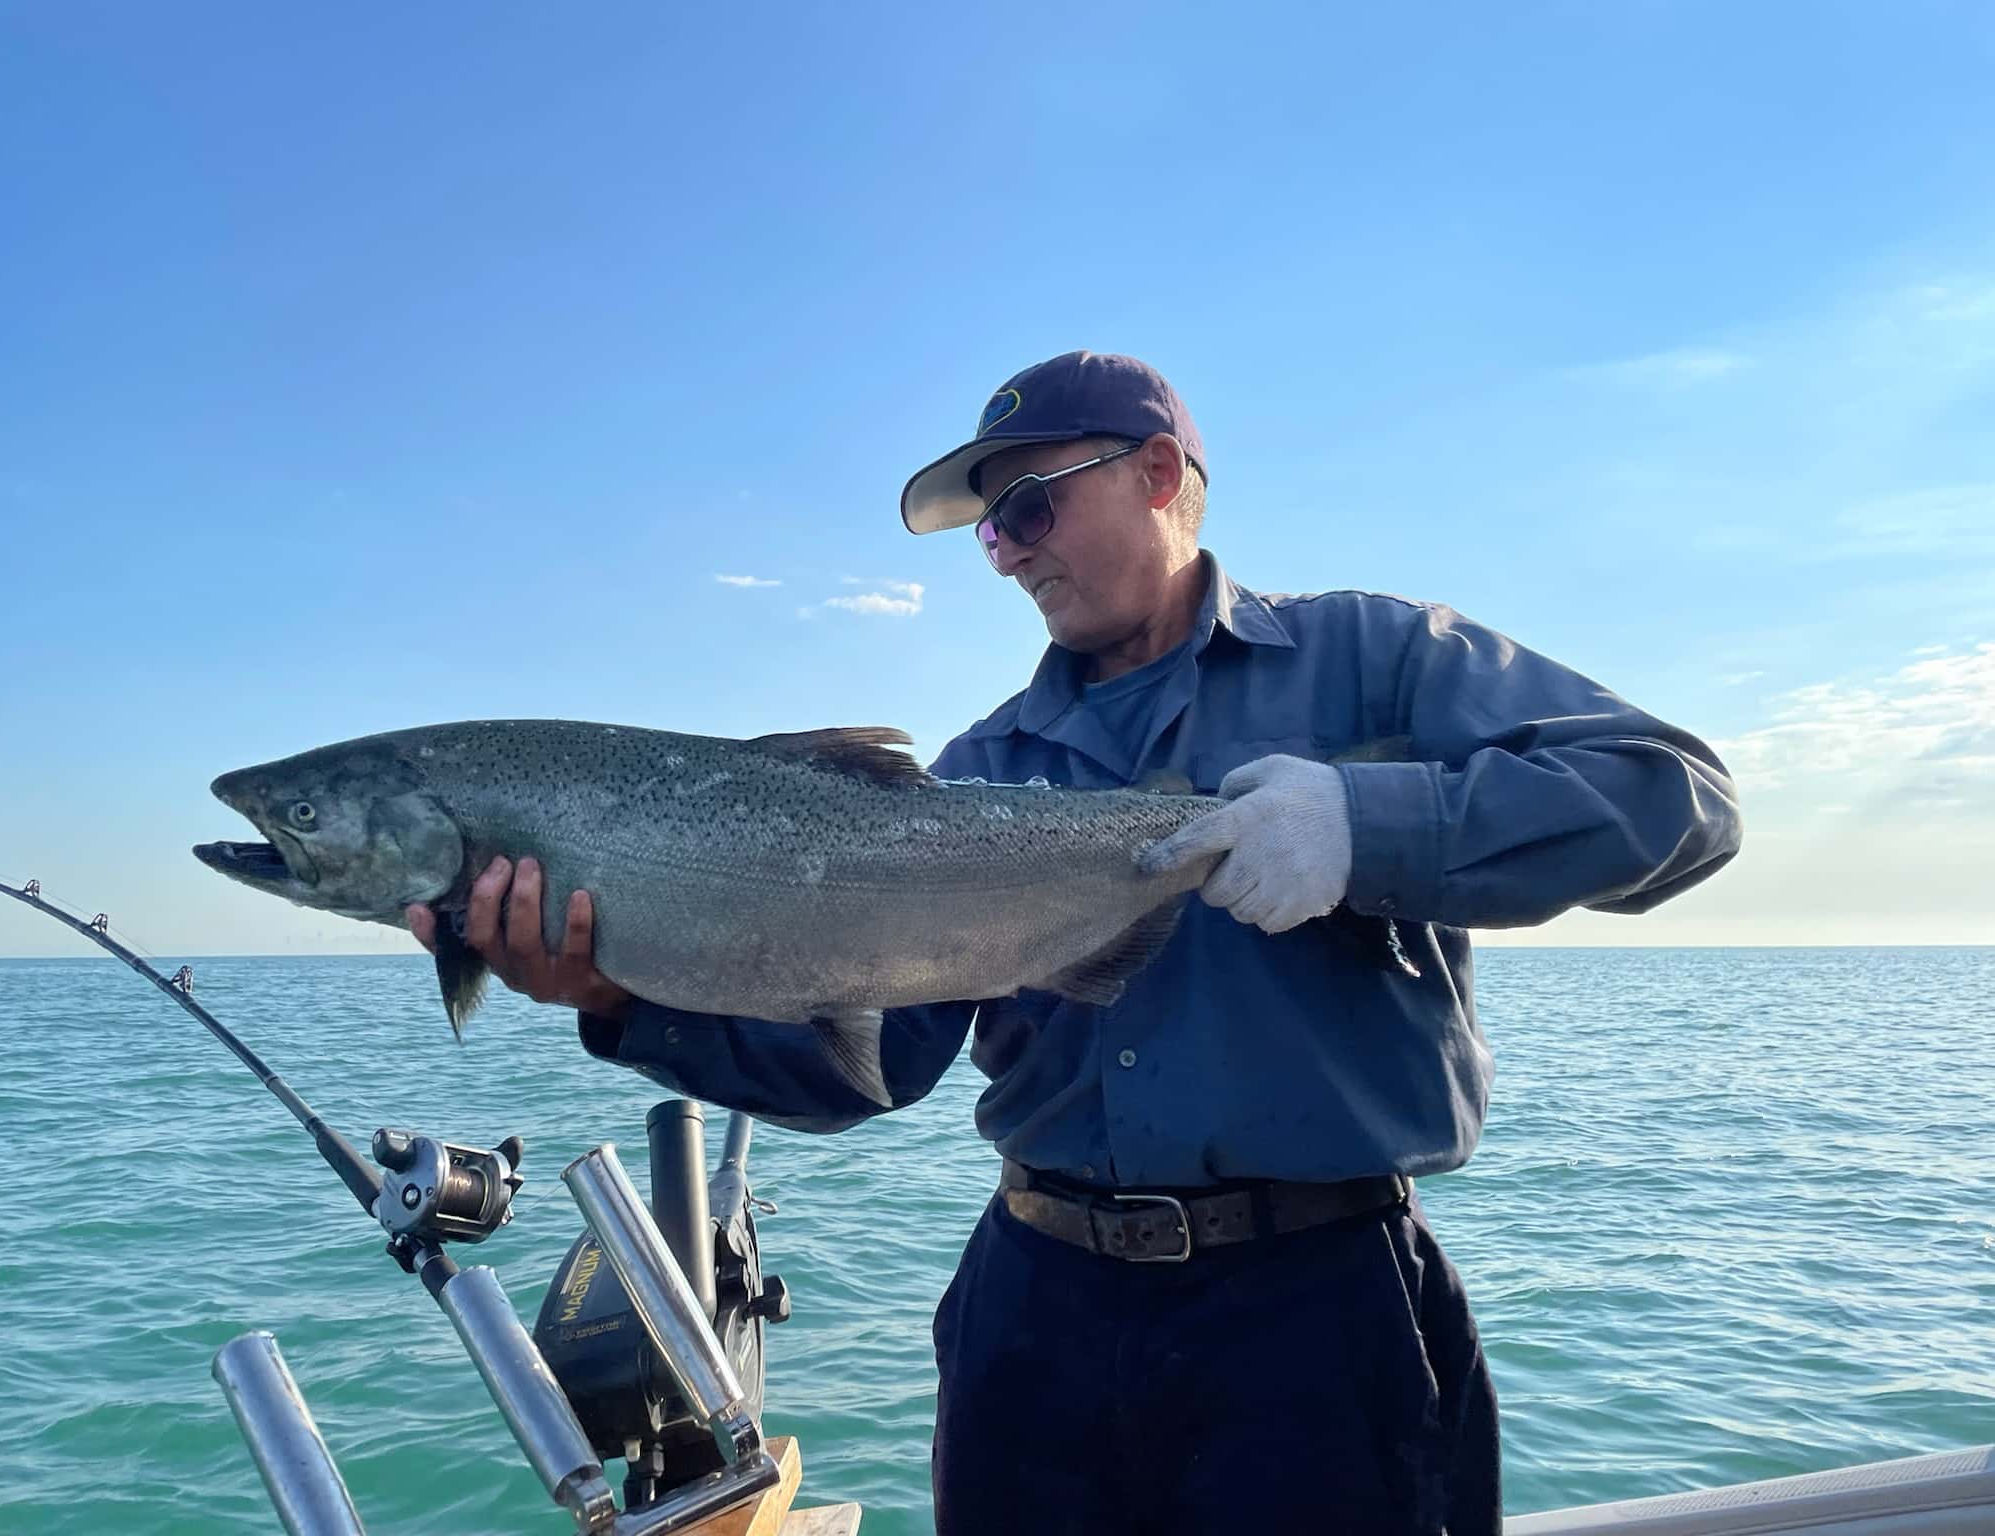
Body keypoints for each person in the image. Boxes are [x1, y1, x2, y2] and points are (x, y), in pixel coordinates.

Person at [409, 350, 1742, 1534]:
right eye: (989, 532)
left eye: (1029, 506)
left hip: (1321, 1313)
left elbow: (1677, 799)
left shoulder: (1373, 660)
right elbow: (866, 1068)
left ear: (1160, 471)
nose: (1008, 551)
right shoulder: (976, 767)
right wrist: (616, 1001)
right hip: (1039, 1311)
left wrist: (1367, 824)